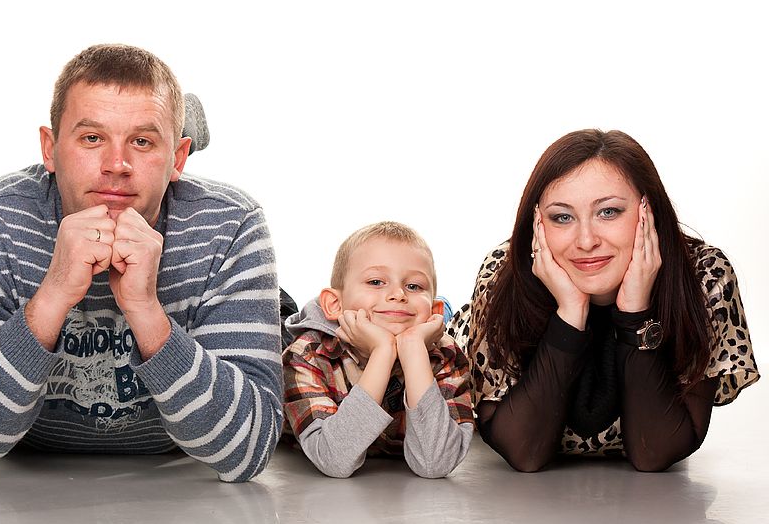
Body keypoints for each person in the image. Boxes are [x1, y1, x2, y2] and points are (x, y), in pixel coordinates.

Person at [0, 44, 282, 482]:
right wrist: (53, 295)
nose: (116, 166)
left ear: (178, 158)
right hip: (29, 487)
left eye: (142, 142)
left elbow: (248, 452)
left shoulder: (232, 225)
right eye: (92, 138)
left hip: (171, 494)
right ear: (50, 149)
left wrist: (146, 311)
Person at [448, 129, 759, 472]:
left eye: (608, 212)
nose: (585, 240)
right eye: (562, 217)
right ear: (538, 222)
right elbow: (525, 453)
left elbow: (655, 453)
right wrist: (570, 312)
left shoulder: (703, 277)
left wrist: (635, 315)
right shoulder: (504, 273)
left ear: (648, 209)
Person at [283, 221, 474, 478]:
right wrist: (382, 352)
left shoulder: (445, 356)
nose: (398, 294)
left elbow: (435, 463)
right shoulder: (307, 355)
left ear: (434, 312)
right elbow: (334, 459)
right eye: (376, 281)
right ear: (335, 304)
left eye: (414, 286)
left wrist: (413, 350)